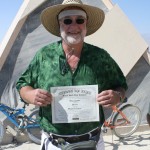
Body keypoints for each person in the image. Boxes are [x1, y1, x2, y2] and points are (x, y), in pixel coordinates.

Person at [16, 0, 128, 149]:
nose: (74, 26)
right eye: (67, 20)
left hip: (92, 141)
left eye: (79, 20)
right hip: (54, 143)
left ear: (86, 24)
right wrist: (30, 94)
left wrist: (117, 96)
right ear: (59, 24)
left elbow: (120, 85)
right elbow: (22, 84)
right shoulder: (44, 56)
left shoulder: (101, 57)